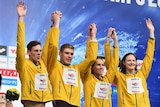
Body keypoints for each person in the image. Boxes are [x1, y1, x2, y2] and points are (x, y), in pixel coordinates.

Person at [16, 1, 61, 107]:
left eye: (40, 51)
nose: (39, 53)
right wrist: (21, 19)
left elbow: (51, 45)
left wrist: (55, 25)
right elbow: (20, 43)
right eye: (36, 51)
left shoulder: (43, 64)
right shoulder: (23, 64)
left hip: (43, 103)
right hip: (30, 103)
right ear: (28, 53)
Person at [46, 23, 98, 107]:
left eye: (71, 54)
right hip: (60, 102)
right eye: (66, 53)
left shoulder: (77, 68)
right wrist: (56, 24)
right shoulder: (54, 65)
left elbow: (91, 58)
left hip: (75, 104)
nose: (69, 56)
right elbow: (53, 47)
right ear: (60, 53)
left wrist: (92, 36)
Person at [106, 18, 155, 107]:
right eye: (129, 60)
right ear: (124, 63)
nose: (132, 62)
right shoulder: (119, 77)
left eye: (133, 60)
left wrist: (151, 31)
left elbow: (149, 56)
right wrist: (113, 40)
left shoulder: (142, 74)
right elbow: (110, 64)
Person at [81, 27, 119, 107]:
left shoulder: (107, 79)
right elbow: (89, 57)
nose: (101, 67)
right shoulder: (87, 77)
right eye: (98, 65)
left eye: (102, 65)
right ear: (92, 67)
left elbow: (114, 63)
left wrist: (113, 40)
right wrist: (91, 36)